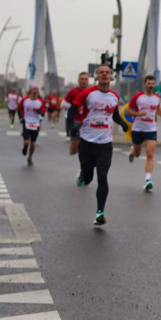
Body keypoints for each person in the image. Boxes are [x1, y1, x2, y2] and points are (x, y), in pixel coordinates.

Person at [67, 64, 130, 226]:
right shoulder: (88, 93)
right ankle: (82, 176)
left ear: (111, 76)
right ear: (97, 76)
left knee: (102, 176)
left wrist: (123, 124)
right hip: (87, 142)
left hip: (105, 144)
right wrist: (72, 128)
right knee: (88, 178)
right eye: (101, 72)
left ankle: (100, 213)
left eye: (107, 72)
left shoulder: (114, 96)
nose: (104, 74)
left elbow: (114, 114)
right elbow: (72, 109)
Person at [124, 74, 161, 191]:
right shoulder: (138, 97)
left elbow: (157, 107)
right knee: (138, 153)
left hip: (151, 129)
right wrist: (138, 114)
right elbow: (128, 111)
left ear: (154, 85)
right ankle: (132, 152)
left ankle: (148, 179)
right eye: (149, 83)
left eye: (152, 84)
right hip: (137, 129)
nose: (151, 86)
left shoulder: (157, 97)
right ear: (145, 84)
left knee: (150, 154)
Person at [18, 83, 46, 166]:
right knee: (26, 141)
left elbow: (43, 113)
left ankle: (30, 157)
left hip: (35, 124)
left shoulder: (40, 101)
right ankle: (25, 148)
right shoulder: (25, 100)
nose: (35, 91)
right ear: (31, 90)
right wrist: (21, 118)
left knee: (33, 144)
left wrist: (40, 112)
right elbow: (19, 109)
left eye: (36, 89)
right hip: (26, 122)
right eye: (33, 89)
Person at [64, 71, 91, 151]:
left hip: (88, 121)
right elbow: (63, 104)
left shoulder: (92, 92)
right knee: (74, 149)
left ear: (88, 81)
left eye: (85, 79)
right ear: (78, 81)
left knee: (86, 147)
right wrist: (75, 107)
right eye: (82, 79)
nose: (84, 81)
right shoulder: (73, 91)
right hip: (76, 121)